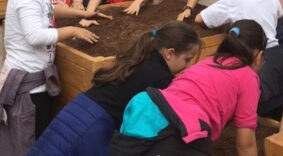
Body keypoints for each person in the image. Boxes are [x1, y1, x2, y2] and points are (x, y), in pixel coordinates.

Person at [0, 0, 104, 154]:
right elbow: (35, 36)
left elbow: (50, 10)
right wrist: (73, 31)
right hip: (28, 87)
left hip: (35, 80)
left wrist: (83, 13)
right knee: (28, 139)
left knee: (33, 135)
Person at [27, 22, 199, 156]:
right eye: (187, 59)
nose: (188, 66)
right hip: (95, 127)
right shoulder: (161, 77)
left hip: (78, 109)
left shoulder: (142, 56)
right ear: (169, 53)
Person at [110, 20, 266, 155]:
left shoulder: (208, 61)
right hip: (181, 131)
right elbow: (246, 145)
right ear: (258, 57)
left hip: (149, 112)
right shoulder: (249, 77)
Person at [195, 0, 283, 119]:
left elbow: (201, 19)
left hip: (255, 60)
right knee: (278, 113)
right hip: (278, 58)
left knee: (254, 116)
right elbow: (279, 13)